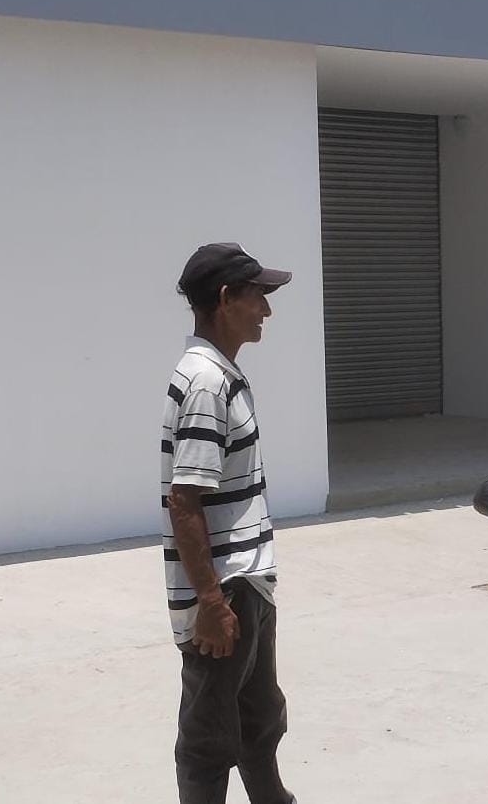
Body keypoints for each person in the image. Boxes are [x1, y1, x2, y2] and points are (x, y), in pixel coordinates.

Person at [160, 242, 298, 804]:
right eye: (258, 296)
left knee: (259, 719)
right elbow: (185, 500)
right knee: (208, 739)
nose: (266, 310)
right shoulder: (206, 383)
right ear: (225, 299)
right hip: (226, 589)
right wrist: (212, 604)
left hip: (248, 581)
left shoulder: (222, 374)